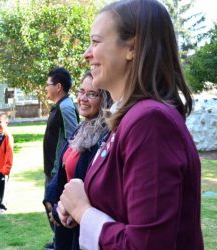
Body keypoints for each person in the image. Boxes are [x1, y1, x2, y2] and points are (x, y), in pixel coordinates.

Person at [57, 0, 204, 249]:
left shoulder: (150, 121)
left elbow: (147, 244)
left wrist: (84, 212)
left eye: (96, 41)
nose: (87, 53)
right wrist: (80, 202)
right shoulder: (129, 118)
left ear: (132, 48)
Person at [43, 72, 112, 250]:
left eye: (92, 94)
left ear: (105, 99)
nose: (83, 98)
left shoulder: (105, 135)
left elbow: (90, 184)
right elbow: (62, 167)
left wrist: (64, 210)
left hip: (79, 224)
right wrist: (51, 199)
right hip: (63, 216)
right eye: (81, 92)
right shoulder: (82, 128)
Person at [43, 67, 79, 249]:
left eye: (47, 85)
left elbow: (75, 137)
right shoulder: (59, 106)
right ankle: (58, 240)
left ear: (58, 87)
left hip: (58, 171)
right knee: (50, 206)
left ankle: (61, 243)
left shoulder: (66, 107)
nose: (45, 88)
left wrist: (63, 168)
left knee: (54, 207)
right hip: (52, 169)